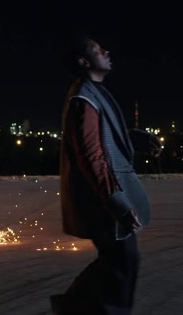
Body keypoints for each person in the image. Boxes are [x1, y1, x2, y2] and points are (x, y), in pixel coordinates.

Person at [51, 35, 162, 315]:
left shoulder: (92, 93)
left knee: (120, 261)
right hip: (100, 201)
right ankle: (79, 307)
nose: (107, 52)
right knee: (123, 262)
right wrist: (118, 203)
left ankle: (70, 306)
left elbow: (102, 140)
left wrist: (132, 137)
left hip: (102, 197)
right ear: (84, 61)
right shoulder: (84, 99)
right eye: (99, 50)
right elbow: (92, 157)